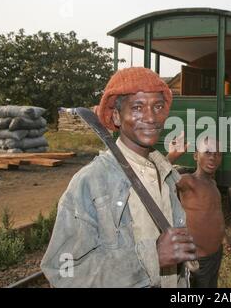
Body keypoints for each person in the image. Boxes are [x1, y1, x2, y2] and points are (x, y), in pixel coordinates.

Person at [40, 67, 197, 288]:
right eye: (137, 107)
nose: (151, 117)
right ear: (116, 115)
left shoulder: (166, 174)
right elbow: (62, 271)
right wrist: (152, 259)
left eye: (158, 106)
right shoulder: (91, 182)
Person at [168, 136, 231, 288]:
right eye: (208, 152)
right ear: (196, 155)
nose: (213, 158)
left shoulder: (213, 184)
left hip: (215, 256)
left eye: (218, 154)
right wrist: (171, 157)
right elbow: (157, 176)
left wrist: (224, 236)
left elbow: (215, 214)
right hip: (197, 261)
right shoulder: (188, 181)